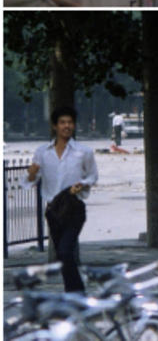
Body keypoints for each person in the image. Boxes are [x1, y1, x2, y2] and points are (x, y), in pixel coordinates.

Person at [25, 107, 98, 292]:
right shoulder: (42, 152)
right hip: (53, 211)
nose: (67, 126)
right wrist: (31, 174)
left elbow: (93, 176)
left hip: (74, 209)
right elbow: (29, 181)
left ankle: (78, 295)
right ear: (55, 126)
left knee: (66, 251)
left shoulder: (84, 152)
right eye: (63, 123)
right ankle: (72, 294)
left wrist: (81, 184)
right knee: (62, 256)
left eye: (70, 123)